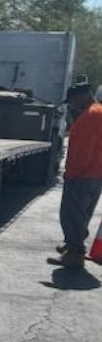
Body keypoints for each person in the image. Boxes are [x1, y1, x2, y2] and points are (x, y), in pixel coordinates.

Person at [49, 81, 102, 268]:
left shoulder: (89, 117)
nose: (71, 106)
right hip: (95, 174)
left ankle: (74, 253)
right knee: (81, 214)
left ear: (81, 97)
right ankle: (74, 247)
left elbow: (83, 151)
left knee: (72, 215)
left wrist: (72, 173)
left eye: (71, 102)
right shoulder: (99, 112)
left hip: (82, 176)